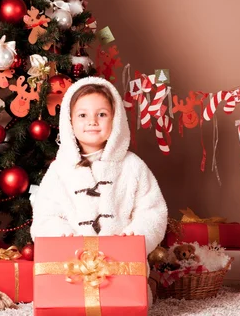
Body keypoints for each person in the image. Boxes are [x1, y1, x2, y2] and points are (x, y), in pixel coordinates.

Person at [30, 76, 168, 258]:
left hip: (122, 264)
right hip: (73, 267)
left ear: (116, 119)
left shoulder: (133, 166)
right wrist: (62, 235)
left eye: (101, 114)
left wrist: (135, 235)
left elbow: (152, 211)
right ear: (69, 121)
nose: (92, 121)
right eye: (82, 115)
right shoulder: (59, 170)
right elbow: (45, 217)